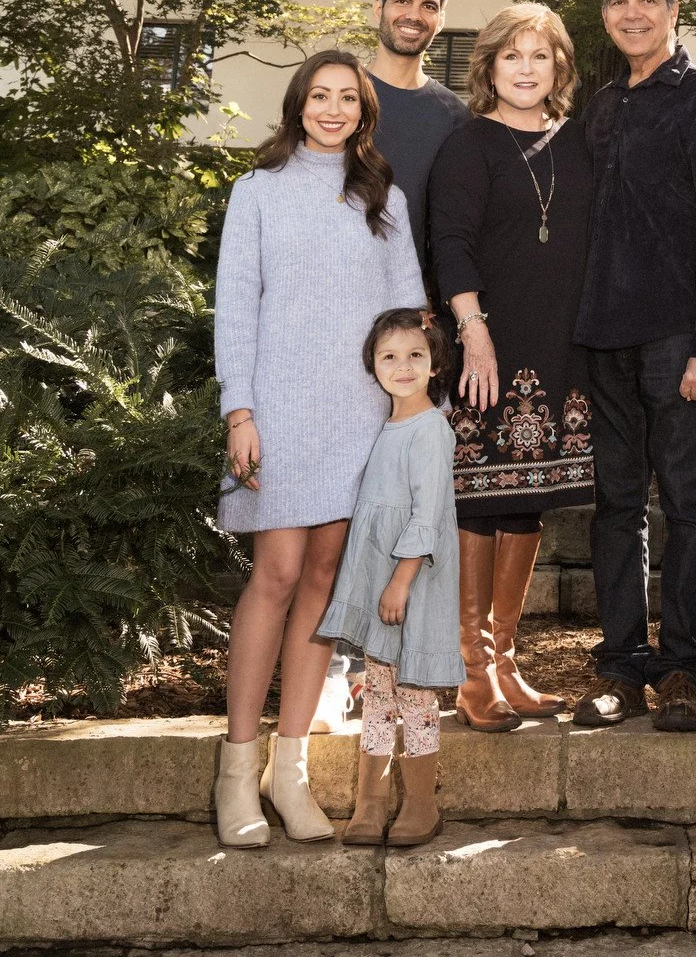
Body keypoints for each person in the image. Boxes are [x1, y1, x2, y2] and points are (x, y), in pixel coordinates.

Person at [212, 51, 425, 850]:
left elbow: (409, 316)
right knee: (276, 574)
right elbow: (235, 308)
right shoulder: (258, 192)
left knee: (329, 581)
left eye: (347, 99)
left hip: (360, 413)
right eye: (319, 97)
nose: (332, 109)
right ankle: (236, 769)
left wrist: (408, 415)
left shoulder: (386, 200)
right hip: (278, 409)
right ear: (297, 105)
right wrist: (240, 410)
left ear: (364, 113)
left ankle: (289, 770)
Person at [571, 0, 696, 734]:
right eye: (618, 2)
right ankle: (620, 667)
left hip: (679, 339)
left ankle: (681, 667)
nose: (632, 14)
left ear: (674, 10)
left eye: (647, 0)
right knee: (615, 505)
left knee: (688, 505)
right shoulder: (598, 107)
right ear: (606, 15)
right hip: (602, 336)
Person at [427, 5, 595, 731]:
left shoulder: (579, 143)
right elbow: (451, 243)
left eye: (541, 55)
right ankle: (470, 673)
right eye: (512, 56)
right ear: (488, 67)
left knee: (525, 499)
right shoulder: (469, 145)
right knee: (480, 497)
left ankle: (506, 663)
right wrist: (474, 331)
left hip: (559, 344)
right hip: (488, 344)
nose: (527, 68)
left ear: (560, 67)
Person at [318, 308, 463, 849]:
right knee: (378, 689)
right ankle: (371, 800)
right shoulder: (384, 428)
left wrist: (400, 581)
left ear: (435, 364)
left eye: (415, 356)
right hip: (381, 579)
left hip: (412, 582)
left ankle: (422, 802)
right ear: (372, 364)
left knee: (414, 692)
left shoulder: (430, 430)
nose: (402, 367)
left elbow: (427, 515)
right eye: (389, 357)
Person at [366, 0, 469, 265]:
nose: (414, 15)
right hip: (326, 286)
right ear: (378, 10)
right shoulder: (336, 98)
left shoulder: (455, 116)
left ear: (440, 22)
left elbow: (454, 221)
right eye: (402, 1)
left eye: (429, 6)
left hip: (408, 297)